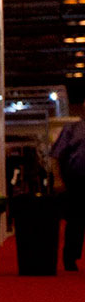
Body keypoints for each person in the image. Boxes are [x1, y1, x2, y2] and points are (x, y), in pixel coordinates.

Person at [53, 116, 85, 271]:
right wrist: (58, 180)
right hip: (76, 181)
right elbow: (57, 155)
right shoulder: (72, 129)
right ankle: (70, 258)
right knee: (75, 221)